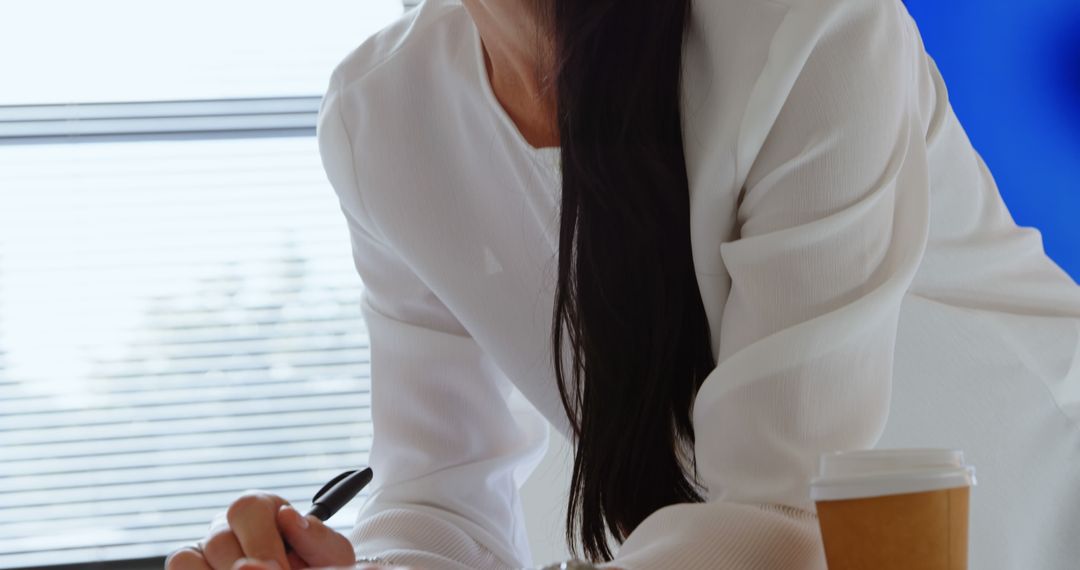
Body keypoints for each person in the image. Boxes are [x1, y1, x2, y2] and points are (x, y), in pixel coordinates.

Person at [166, 0, 1080, 568]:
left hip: (1032, 500)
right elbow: (441, 502)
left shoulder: (808, 23)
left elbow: (779, 513)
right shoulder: (381, 113)